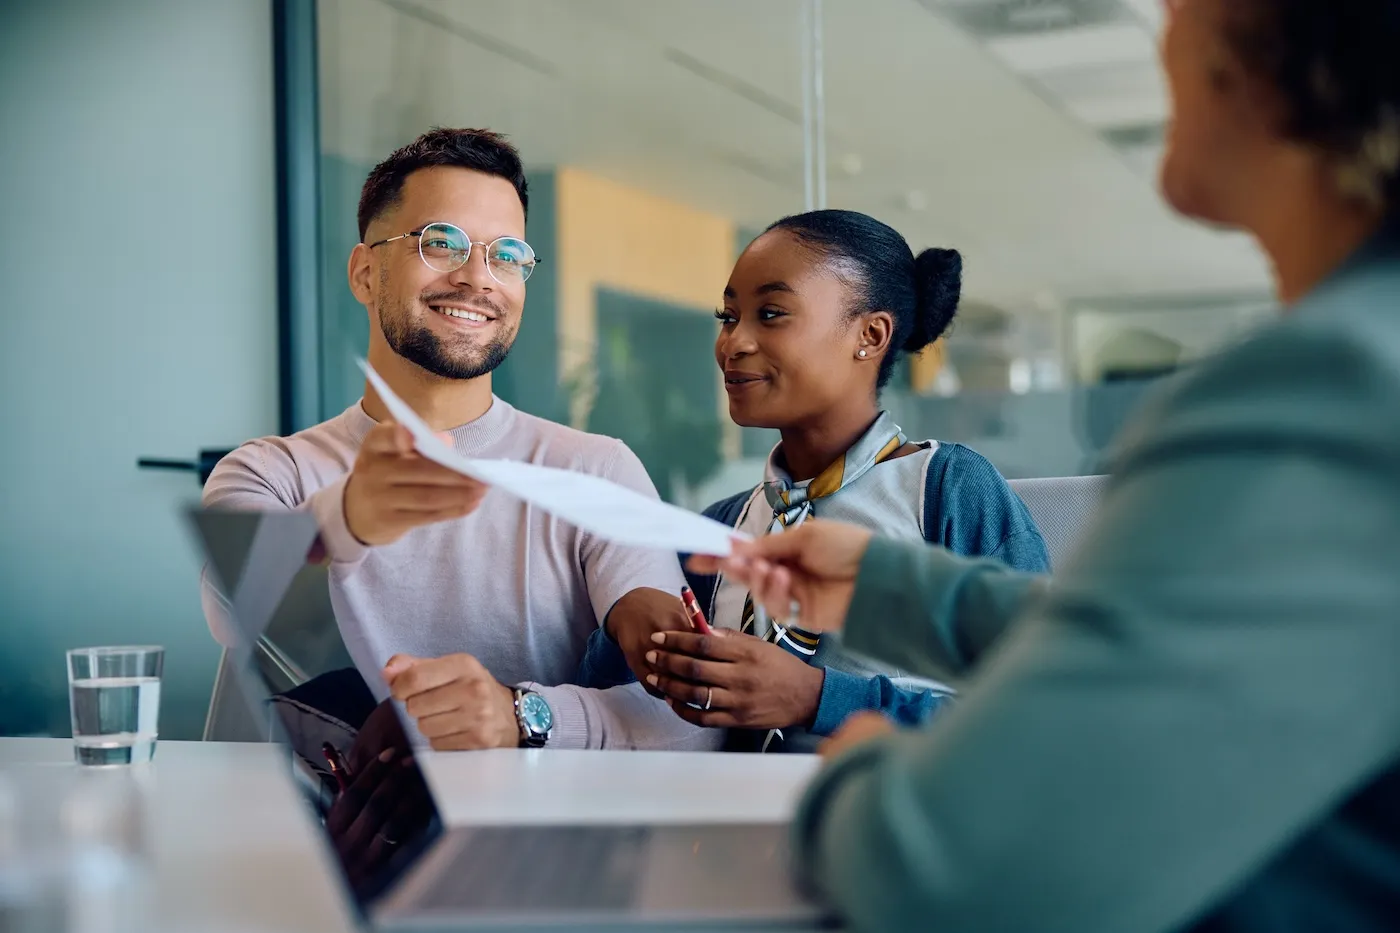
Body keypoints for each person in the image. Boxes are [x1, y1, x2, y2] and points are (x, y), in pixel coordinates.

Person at [691, 1, 1400, 929]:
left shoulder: (1329, 391)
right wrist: (886, 591)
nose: (1165, 26)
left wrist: (851, 757)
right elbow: (1164, 649)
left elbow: (946, 872)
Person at [202, 127, 718, 752]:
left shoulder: (593, 470)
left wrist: (523, 715)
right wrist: (351, 515)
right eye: (440, 242)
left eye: (507, 255)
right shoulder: (267, 472)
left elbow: (679, 721)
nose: (479, 278)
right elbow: (236, 613)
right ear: (365, 273)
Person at [587, 210, 1049, 753]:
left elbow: (1046, 711)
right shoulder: (721, 527)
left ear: (870, 335)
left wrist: (817, 697)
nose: (733, 342)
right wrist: (628, 621)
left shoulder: (948, 489)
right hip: (723, 822)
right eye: (728, 315)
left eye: (772, 313)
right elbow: (603, 696)